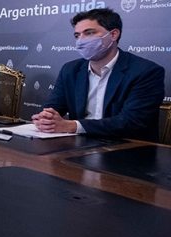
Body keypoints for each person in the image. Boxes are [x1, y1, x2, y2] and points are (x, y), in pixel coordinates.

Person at [33, 8, 165, 141]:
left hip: (126, 146)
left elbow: (132, 122)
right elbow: (53, 106)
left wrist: (72, 126)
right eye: (77, 35)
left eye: (89, 33)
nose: (81, 41)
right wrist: (46, 118)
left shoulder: (145, 71)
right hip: (78, 144)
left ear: (113, 35)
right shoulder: (70, 69)